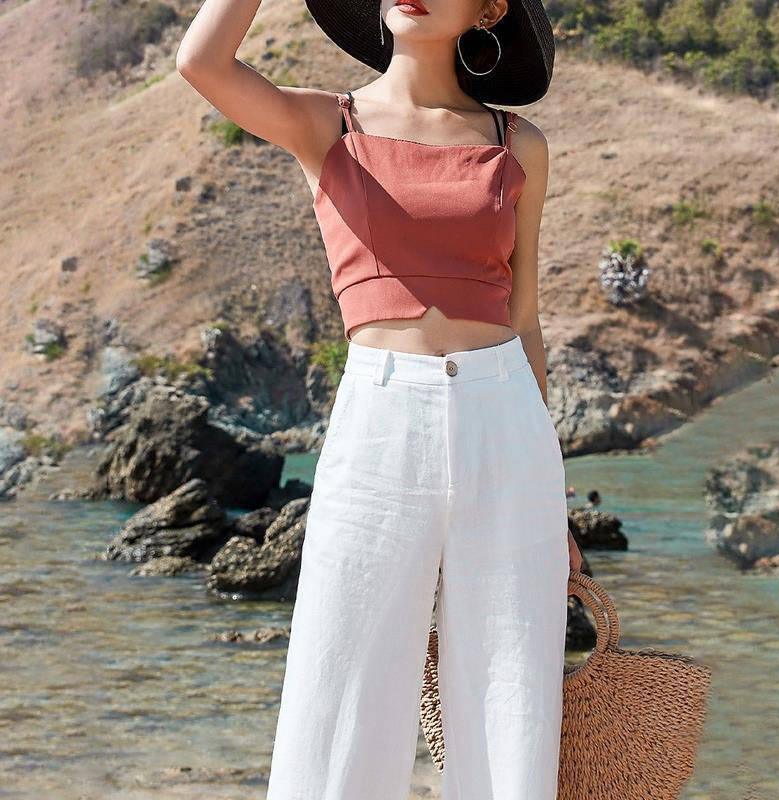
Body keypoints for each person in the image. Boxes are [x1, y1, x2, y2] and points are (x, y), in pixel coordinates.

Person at [177, 1, 582, 797]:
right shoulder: (329, 124)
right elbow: (203, 63)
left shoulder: (516, 144)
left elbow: (524, 316)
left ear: (491, 9)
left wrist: (555, 497)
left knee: (511, 690)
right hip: (380, 419)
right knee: (341, 678)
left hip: (509, 426)